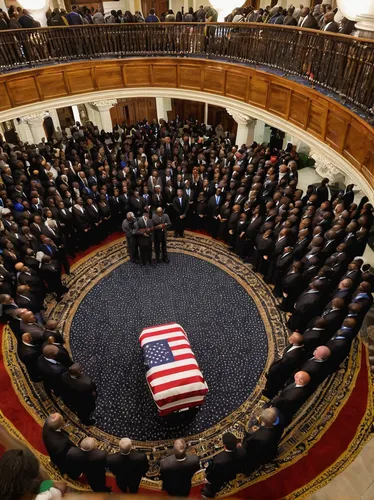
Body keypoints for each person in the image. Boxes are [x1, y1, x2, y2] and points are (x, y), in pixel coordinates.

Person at [262, 332, 306, 399]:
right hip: (283, 365)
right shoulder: (296, 346)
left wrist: (272, 371)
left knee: (273, 383)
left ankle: (270, 393)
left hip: (280, 373)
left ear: (293, 341)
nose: (290, 337)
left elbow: (280, 367)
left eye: (291, 337)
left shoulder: (290, 356)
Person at [202, 432, 246, 497]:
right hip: (237, 473)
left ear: (224, 445)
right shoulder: (242, 450)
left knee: (207, 489)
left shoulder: (219, 460)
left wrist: (207, 479)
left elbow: (212, 477)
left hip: (223, 480)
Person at [242, 408, 284, 475]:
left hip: (260, 456)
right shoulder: (279, 421)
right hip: (273, 448)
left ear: (263, 421)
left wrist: (249, 433)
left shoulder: (256, 437)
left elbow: (245, 445)